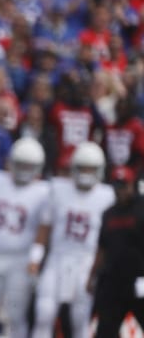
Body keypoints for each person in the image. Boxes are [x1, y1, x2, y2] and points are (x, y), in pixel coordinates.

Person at [29, 141, 115, 338]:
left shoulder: (107, 195)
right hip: (58, 257)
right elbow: (45, 225)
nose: (86, 173)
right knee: (44, 311)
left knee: (80, 317)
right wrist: (35, 258)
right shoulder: (58, 188)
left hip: (87, 260)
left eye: (91, 168)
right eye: (82, 167)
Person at [0, 137, 50, 338]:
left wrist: (35, 258)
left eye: (29, 165)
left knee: (16, 316)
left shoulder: (43, 191)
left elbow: (43, 227)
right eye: (21, 163)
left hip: (20, 258)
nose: (24, 169)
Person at [87, 166, 144, 338]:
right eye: (117, 186)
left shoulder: (142, 208)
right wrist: (92, 276)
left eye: (124, 185)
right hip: (113, 281)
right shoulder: (108, 214)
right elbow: (102, 247)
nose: (121, 191)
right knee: (105, 330)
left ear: (132, 185)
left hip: (139, 280)